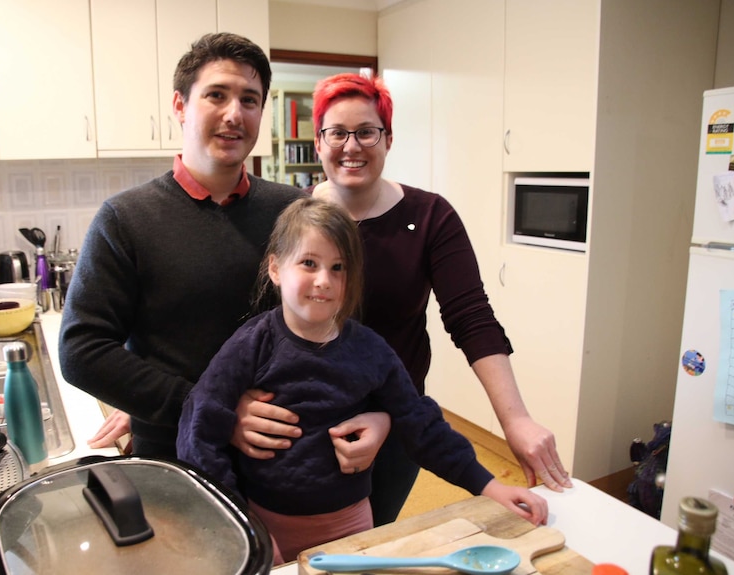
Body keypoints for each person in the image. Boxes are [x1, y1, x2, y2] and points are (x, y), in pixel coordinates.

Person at [231, 73, 573, 527]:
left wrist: (516, 420)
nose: (351, 146)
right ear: (318, 143)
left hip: (397, 423)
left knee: (368, 543)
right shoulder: (291, 217)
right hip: (297, 426)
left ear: (388, 139)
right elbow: (242, 323)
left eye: (367, 131)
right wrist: (202, 405)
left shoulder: (430, 217)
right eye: (337, 132)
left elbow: (471, 318)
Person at [177, 197, 548, 564]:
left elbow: (421, 424)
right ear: (275, 268)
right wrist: (242, 524)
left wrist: (490, 486)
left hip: (353, 525)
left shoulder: (370, 348)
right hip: (265, 526)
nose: (324, 280)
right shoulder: (251, 344)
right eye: (309, 263)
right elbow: (198, 430)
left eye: (338, 268)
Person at [58, 32, 313, 458]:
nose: (235, 114)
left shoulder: (292, 211)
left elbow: (334, 322)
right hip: (178, 454)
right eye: (216, 95)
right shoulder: (126, 218)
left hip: (286, 450)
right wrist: (211, 406)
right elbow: (82, 350)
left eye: (249, 100)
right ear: (180, 106)